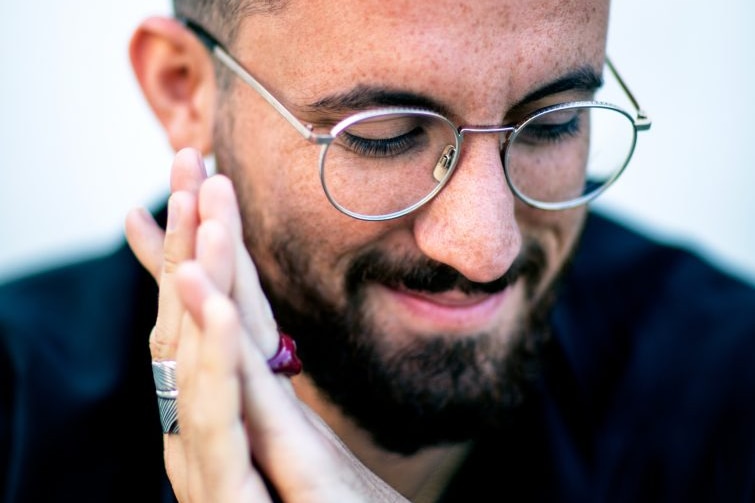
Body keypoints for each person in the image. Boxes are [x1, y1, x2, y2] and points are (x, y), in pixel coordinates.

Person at [2, 0, 754, 501]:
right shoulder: (19, 419)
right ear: (184, 90)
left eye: (553, 123)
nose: (484, 248)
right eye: (382, 136)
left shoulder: (725, 391)